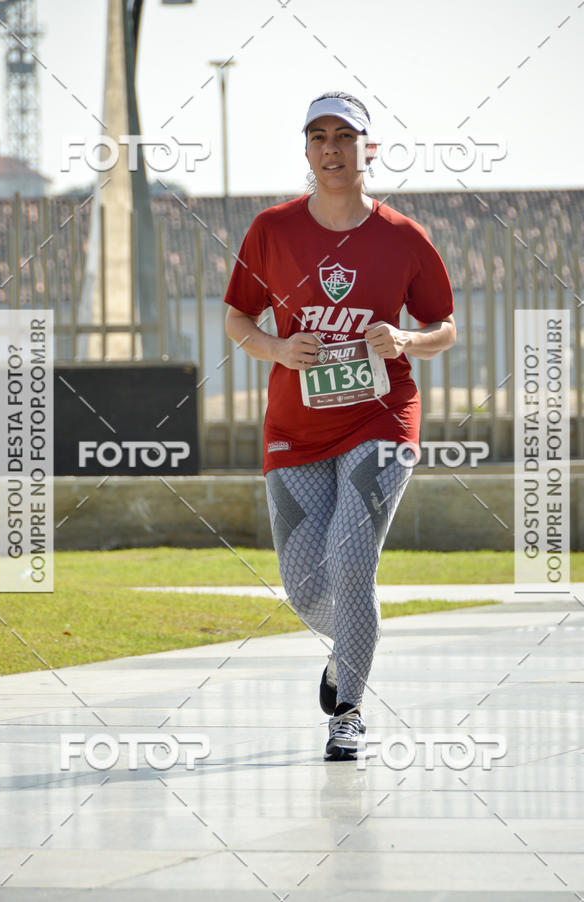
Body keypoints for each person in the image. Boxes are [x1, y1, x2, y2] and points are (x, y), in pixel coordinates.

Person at [224, 91, 456, 760]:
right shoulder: (271, 230)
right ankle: (353, 649)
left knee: (353, 562)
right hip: (294, 428)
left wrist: (406, 342)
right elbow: (239, 317)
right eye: (318, 136)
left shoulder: (403, 237)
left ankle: (347, 711)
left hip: (382, 419)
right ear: (306, 150)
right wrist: (274, 348)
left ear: (367, 148)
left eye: (345, 136)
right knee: (304, 586)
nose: (331, 147)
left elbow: (444, 327)